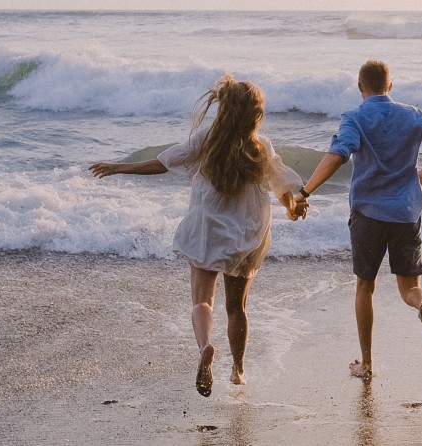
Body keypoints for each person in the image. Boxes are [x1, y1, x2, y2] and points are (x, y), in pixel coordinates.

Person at [90, 75, 306, 397]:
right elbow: (282, 185)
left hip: (208, 229)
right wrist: (292, 207)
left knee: (202, 299)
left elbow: (163, 163)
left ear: (224, 108)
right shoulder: (260, 146)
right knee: (237, 307)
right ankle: (238, 370)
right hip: (246, 233)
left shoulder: (207, 139)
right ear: (255, 114)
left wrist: (120, 167)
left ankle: (205, 346)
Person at [294, 60, 422, 381]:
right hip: (406, 213)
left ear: (360, 87)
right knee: (410, 288)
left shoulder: (355, 117)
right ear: (390, 86)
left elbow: (339, 154)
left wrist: (305, 191)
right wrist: (421, 174)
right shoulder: (413, 115)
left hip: (368, 214)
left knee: (365, 287)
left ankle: (366, 364)